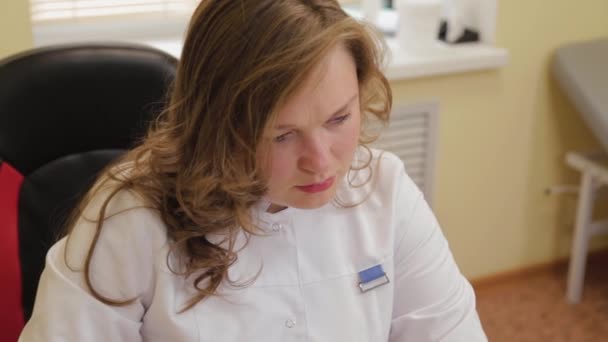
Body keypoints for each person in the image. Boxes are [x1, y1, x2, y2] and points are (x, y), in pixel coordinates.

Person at [19, 0, 487, 341]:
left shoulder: (384, 189)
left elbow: (449, 330)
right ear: (216, 127)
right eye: (281, 136)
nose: (321, 161)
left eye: (338, 118)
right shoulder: (132, 216)